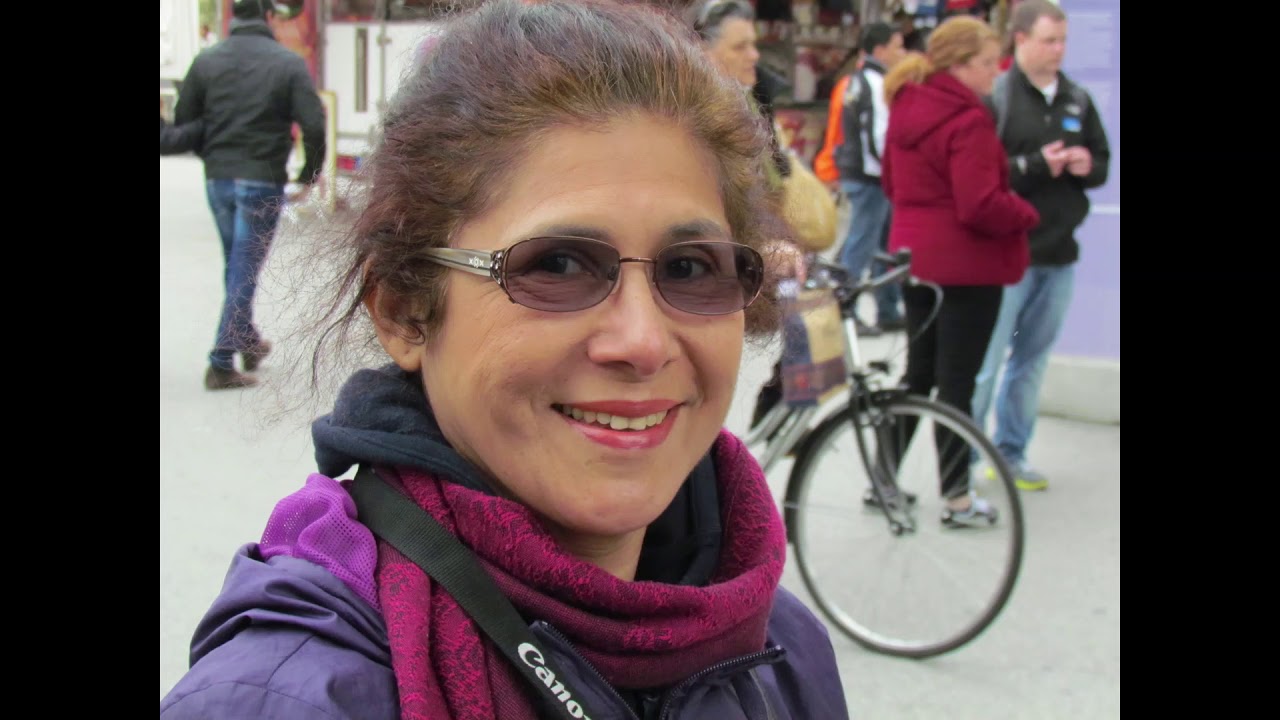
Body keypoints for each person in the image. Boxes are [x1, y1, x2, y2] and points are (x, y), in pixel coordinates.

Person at [159, 1, 849, 718]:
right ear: (404, 310)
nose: (642, 341)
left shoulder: (778, 648)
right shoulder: (284, 697)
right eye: (557, 264)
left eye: (690, 268)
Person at [880, 15, 1039, 526]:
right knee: (956, 386)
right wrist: (1026, 214)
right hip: (966, 267)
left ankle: (882, 479)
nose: (997, 71)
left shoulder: (907, 105)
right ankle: (957, 499)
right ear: (960, 65)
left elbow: (891, 185)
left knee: (918, 375)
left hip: (914, 259)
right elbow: (980, 204)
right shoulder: (968, 119)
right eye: (988, 62)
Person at [970, 0, 1111, 491]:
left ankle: (1013, 454)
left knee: (1030, 362)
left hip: (1059, 254)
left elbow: (1102, 162)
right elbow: (983, 175)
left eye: (1063, 41)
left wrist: (1086, 165)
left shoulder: (1077, 97)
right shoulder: (999, 97)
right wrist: (1034, 165)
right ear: (1022, 40)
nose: (1058, 50)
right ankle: (965, 464)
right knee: (986, 364)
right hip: (1010, 255)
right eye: (1049, 40)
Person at [172, 0, 327, 391]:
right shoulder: (288, 63)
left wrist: (214, 155)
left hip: (218, 180)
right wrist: (309, 174)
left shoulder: (205, 61)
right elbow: (313, 123)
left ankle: (247, 339)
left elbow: (185, 122)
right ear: (268, 17)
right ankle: (221, 361)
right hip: (261, 179)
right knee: (244, 267)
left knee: (237, 264)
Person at [833, 21, 907, 335]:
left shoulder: (858, 79)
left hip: (863, 173)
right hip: (871, 176)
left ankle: (887, 308)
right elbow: (879, 137)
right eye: (898, 46)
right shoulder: (876, 84)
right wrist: (892, 173)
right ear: (880, 49)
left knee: (882, 242)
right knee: (862, 244)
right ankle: (845, 310)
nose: (902, 53)